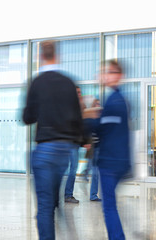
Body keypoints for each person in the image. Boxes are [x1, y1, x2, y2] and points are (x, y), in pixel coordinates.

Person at [23, 40, 84, 240]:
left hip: (45, 149)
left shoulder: (37, 82)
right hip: (63, 151)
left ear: (41, 56)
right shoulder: (68, 82)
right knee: (53, 200)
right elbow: (78, 118)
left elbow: (27, 117)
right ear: (58, 56)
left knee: (44, 206)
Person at [84, 60, 131, 240]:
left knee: (109, 207)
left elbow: (101, 127)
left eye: (109, 72)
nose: (104, 75)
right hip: (115, 160)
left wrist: (86, 118)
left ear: (119, 76)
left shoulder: (115, 101)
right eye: (103, 71)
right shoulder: (116, 99)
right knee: (111, 205)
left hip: (111, 162)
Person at [64, 86, 87, 204]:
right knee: (71, 169)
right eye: (77, 92)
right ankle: (67, 194)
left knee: (72, 168)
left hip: (76, 143)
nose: (79, 94)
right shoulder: (68, 107)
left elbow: (82, 126)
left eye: (80, 92)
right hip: (68, 142)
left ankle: (68, 194)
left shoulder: (80, 107)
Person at [89, 99, 102, 202]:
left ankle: (94, 194)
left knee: (97, 173)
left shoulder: (100, 118)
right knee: (95, 173)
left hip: (100, 149)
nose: (98, 106)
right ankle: (93, 195)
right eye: (96, 104)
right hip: (94, 149)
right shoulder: (91, 119)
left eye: (99, 104)